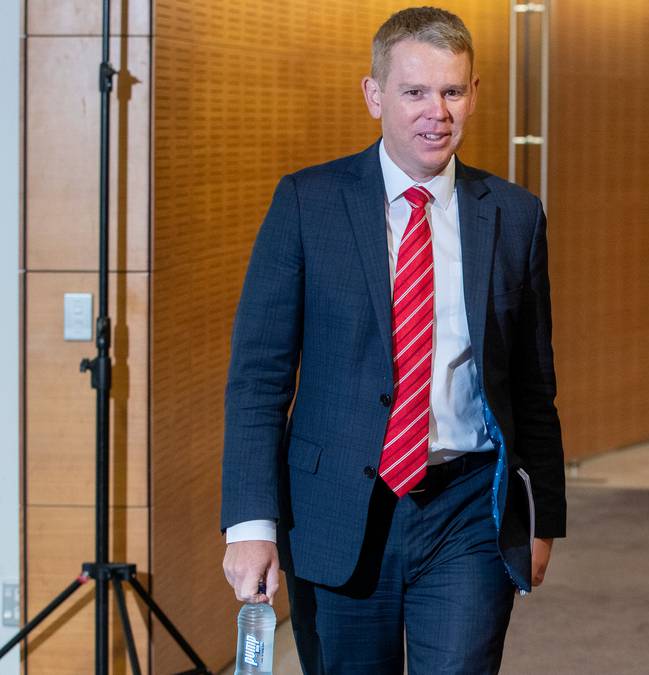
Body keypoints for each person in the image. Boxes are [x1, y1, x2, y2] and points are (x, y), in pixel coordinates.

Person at [219, 7, 565, 672]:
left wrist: (541, 513)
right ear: (374, 95)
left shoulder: (515, 215)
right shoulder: (307, 204)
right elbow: (258, 378)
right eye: (414, 92)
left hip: (467, 507)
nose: (436, 111)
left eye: (452, 91)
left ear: (473, 95)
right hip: (339, 509)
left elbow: (531, 383)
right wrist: (251, 525)